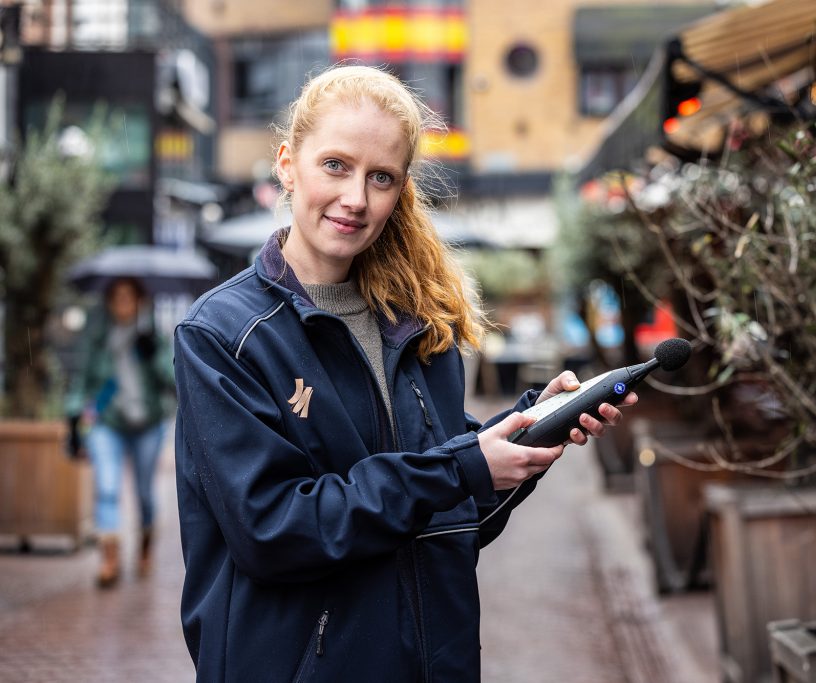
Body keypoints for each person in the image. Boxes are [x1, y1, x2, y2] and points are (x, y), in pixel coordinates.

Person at [173, 64, 637, 682]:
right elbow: (274, 532)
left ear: (400, 190)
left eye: (381, 177)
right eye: (335, 165)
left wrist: (524, 440)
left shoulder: (422, 326)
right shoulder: (221, 334)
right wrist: (462, 466)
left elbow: (447, 526)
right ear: (287, 163)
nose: (356, 198)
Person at [66, 276, 175, 588]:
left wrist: (153, 353)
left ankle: (145, 547)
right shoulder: (98, 336)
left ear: (140, 300)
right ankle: (109, 560)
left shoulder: (152, 334)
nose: (123, 302)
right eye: (117, 296)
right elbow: (82, 380)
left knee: (143, 493)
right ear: (110, 301)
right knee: (108, 488)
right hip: (107, 423)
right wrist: (75, 417)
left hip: (148, 424)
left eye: (130, 296)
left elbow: (172, 379)